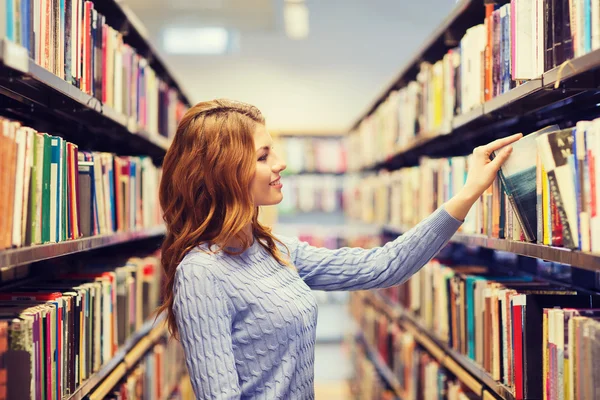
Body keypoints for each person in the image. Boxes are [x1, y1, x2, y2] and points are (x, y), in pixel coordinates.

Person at [157, 99, 522, 399]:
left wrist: (468, 193)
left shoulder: (271, 249)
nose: (280, 163)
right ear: (224, 171)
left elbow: (383, 266)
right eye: (263, 156)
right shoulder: (202, 272)